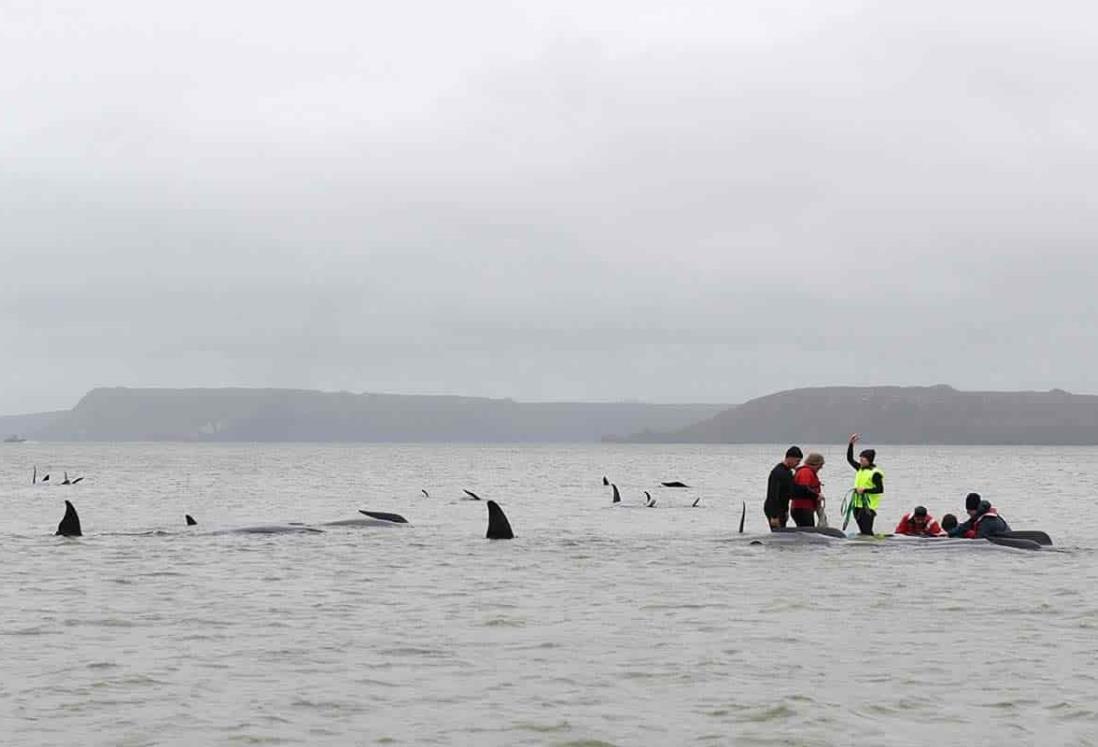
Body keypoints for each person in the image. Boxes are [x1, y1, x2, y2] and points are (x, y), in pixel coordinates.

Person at [846, 433, 884, 535]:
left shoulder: (875, 473)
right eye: (860, 459)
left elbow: (880, 489)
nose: (860, 462)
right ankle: (862, 548)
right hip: (857, 505)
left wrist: (864, 490)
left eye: (863, 460)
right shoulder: (860, 468)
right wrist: (851, 444)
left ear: (869, 460)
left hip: (868, 507)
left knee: (867, 531)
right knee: (862, 532)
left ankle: (871, 548)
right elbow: (849, 459)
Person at [765, 446, 802, 530]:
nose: (798, 464)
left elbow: (788, 493)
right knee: (778, 533)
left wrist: (786, 510)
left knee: (782, 531)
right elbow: (772, 494)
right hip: (773, 508)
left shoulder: (788, 472)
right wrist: (774, 516)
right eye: (797, 461)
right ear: (790, 458)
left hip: (782, 508)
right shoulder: (778, 472)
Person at [790, 453, 825, 527]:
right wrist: (817, 496)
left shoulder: (807, 472)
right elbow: (803, 489)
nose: (820, 468)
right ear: (815, 463)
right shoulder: (805, 472)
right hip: (802, 508)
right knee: (808, 532)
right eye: (820, 466)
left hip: (804, 508)